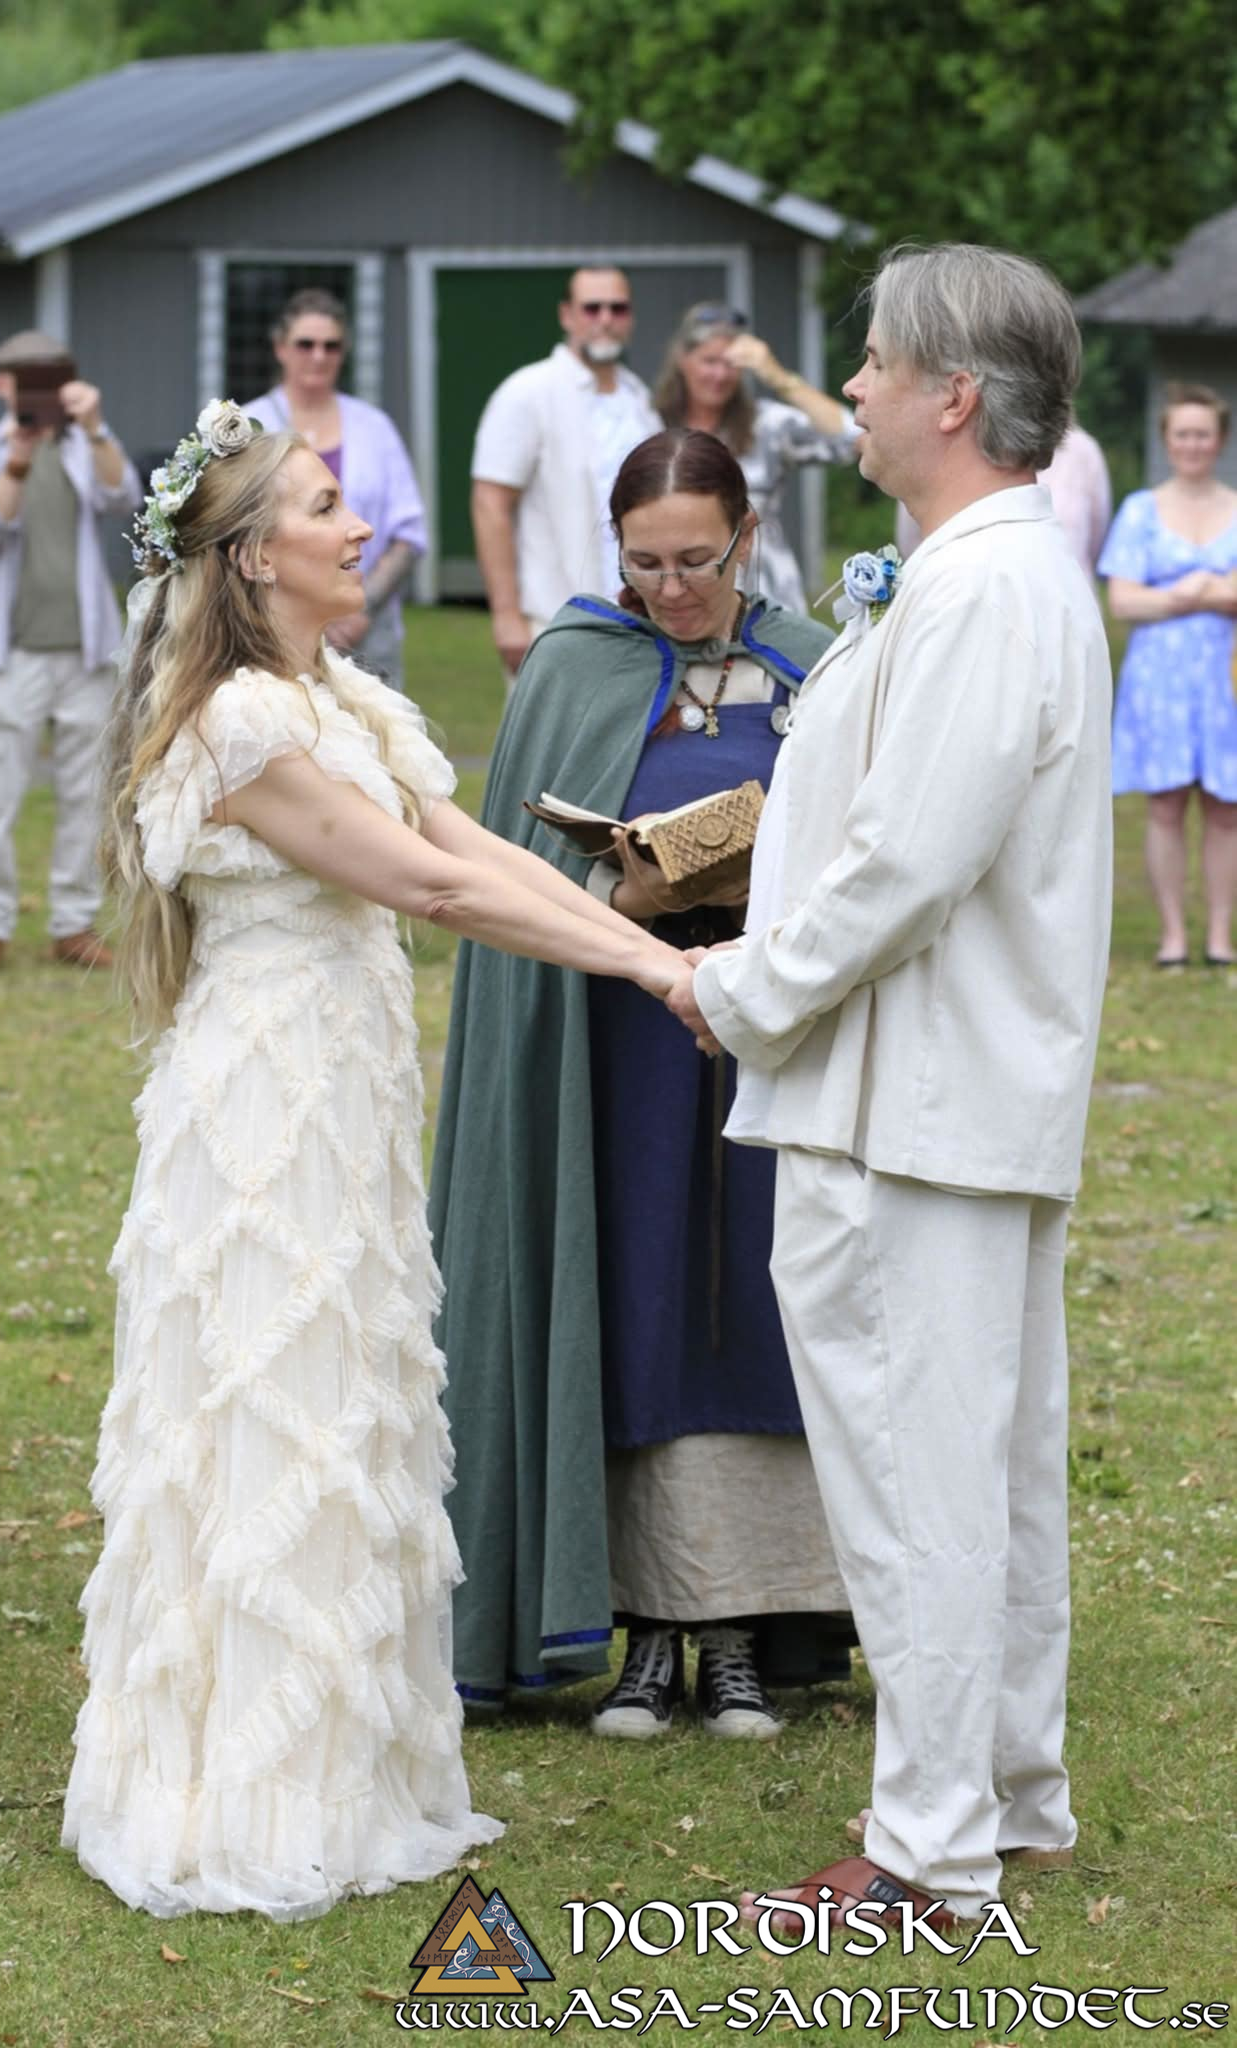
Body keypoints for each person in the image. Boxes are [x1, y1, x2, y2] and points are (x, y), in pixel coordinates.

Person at [61, 401, 684, 1920]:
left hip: (342, 1096)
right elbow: (423, 888)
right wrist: (659, 978)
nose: (358, 529)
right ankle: (248, 1792)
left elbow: (470, 852)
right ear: (259, 556)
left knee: (349, 1394)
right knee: (274, 1397)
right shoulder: (239, 727)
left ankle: (348, 1762)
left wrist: (662, 954)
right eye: (330, 507)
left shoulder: (332, 695)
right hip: (265, 1109)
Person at [668, 244, 1114, 1930]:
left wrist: (743, 986)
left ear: (952, 395)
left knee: (925, 1476)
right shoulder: (971, 573)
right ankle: (1008, 1784)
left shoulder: (992, 586)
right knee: (979, 1467)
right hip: (930, 1086)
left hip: (913, 1095)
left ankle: (931, 1846)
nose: (841, 387)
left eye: (868, 362)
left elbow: (908, 861)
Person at [430, 428, 852, 1738]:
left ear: (746, 536)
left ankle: (741, 1632)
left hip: (769, 1033)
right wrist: (625, 887)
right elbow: (513, 870)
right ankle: (649, 1632)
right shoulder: (574, 666)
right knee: (629, 1295)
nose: (674, 587)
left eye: (700, 560)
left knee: (750, 1310)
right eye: (646, 561)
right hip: (613, 1041)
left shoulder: (813, 663)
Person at [0, 328, 141, 974]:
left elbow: (124, 498)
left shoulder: (87, 445)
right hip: (12, 655)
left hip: (86, 651)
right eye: (24, 379)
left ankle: (73, 923)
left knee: (87, 791)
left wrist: (95, 427)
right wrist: (18, 459)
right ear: (3, 384)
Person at [1100, 383, 1237, 968]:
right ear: (1167, 439)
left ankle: (1220, 937)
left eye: (1203, 433)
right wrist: (1196, 594)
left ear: (1220, 440)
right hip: (1160, 679)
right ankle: (1173, 936)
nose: (1193, 444)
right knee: (1165, 803)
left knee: (1226, 806)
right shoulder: (1139, 510)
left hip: (1227, 677)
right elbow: (1124, 601)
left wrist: (1202, 592)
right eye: (1182, 433)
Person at [470, 267, 660, 680]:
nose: (605, 319)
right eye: (592, 308)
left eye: (618, 308)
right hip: (556, 621)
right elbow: (490, 503)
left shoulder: (639, 399)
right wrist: (506, 616)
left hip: (643, 625)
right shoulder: (528, 391)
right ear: (567, 315)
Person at [243, 288, 427, 691]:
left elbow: (409, 535)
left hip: (365, 629)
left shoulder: (374, 427)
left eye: (331, 346)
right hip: (269, 626)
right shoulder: (249, 425)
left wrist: (361, 607)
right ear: (280, 348)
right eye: (305, 344)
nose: (318, 356)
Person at [654, 303, 859, 612]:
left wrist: (776, 375)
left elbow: (852, 438)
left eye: (731, 364)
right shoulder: (650, 426)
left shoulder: (765, 425)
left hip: (768, 593)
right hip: (680, 594)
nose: (720, 375)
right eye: (709, 361)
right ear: (683, 360)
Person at [895, 419, 1113, 583]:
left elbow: (1096, 538)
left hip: (1065, 607)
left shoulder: (1083, 452)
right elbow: (912, 540)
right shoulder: (952, 442)